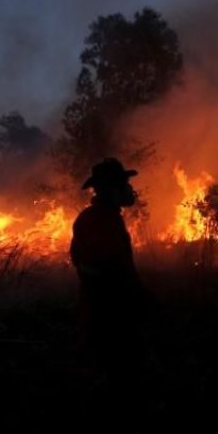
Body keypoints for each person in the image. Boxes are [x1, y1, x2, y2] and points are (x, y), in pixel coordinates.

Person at [70, 158, 147, 381]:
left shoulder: (99, 218)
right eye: (124, 184)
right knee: (118, 376)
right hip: (109, 317)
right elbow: (112, 268)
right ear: (111, 189)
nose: (130, 189)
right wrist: (137, 297)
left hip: (102, 314)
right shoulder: (100, 222)